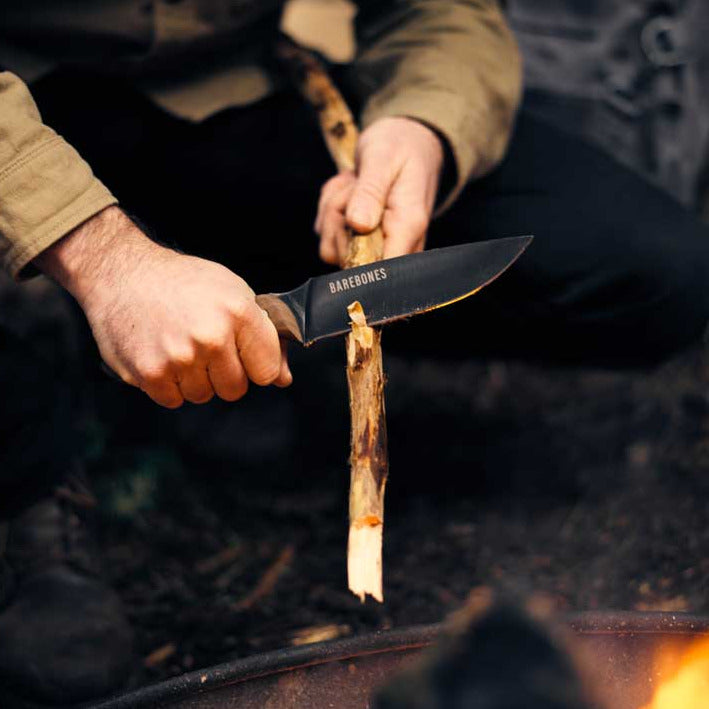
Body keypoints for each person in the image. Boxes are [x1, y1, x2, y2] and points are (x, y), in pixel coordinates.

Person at [1, 0, 709, 705]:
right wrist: (102, 256)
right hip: (24, 109)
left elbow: (440, 10)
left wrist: (424, 124)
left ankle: (222, 344)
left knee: (649, 266)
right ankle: (27, 475)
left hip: (228, 96)